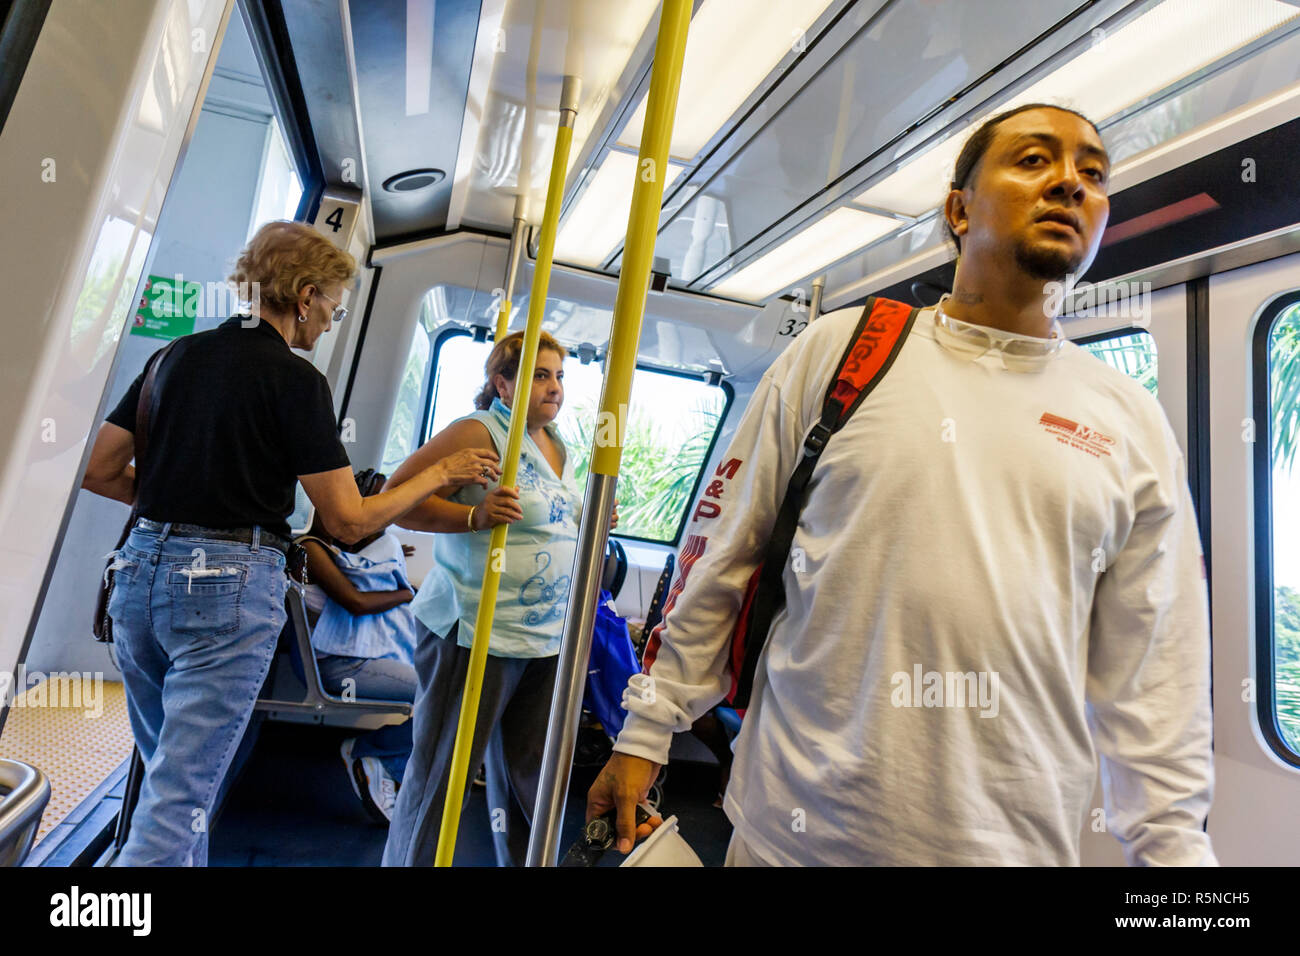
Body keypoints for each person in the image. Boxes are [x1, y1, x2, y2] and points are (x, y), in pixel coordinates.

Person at [589, 104, 1217, 866]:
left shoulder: (1129, 422)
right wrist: (649, 728)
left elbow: (1157, 676)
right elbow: (724, 554)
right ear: (958, 208)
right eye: (1033, 161)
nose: (1069, 185)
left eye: (1092, 173)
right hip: (792, 831)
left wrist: (1176, 860)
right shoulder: (843, 353)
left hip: (1010, 848)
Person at [81, 220, 499, 866]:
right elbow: (349, 521)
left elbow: (101, 469)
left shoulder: (171, 358)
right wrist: (440, 474)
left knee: (174, 785)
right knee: (178, 800)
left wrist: (184, 500)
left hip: (136, 580)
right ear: (304, 295)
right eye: (332, 303)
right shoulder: (296, 382)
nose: (331, 319)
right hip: (224, 591)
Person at [381, 330, 586, 867]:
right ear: (503, 382)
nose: (554, 388)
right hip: (474, 630)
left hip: (542, 639)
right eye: (540, 375)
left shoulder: (556, 442)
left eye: (559, 376)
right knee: (440, 776)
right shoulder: (478, 432)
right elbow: (395, 503)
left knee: (529, 783)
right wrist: (473, 515)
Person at [296, 468, 420, 822]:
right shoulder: (309, 549)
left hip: (353, 660)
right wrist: (405, 592)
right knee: (445, 696)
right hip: (338, 667)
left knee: (448, 693)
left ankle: (387, 763)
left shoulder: (336, 552)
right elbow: (356, 603)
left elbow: (355, 569)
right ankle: (373, 753)